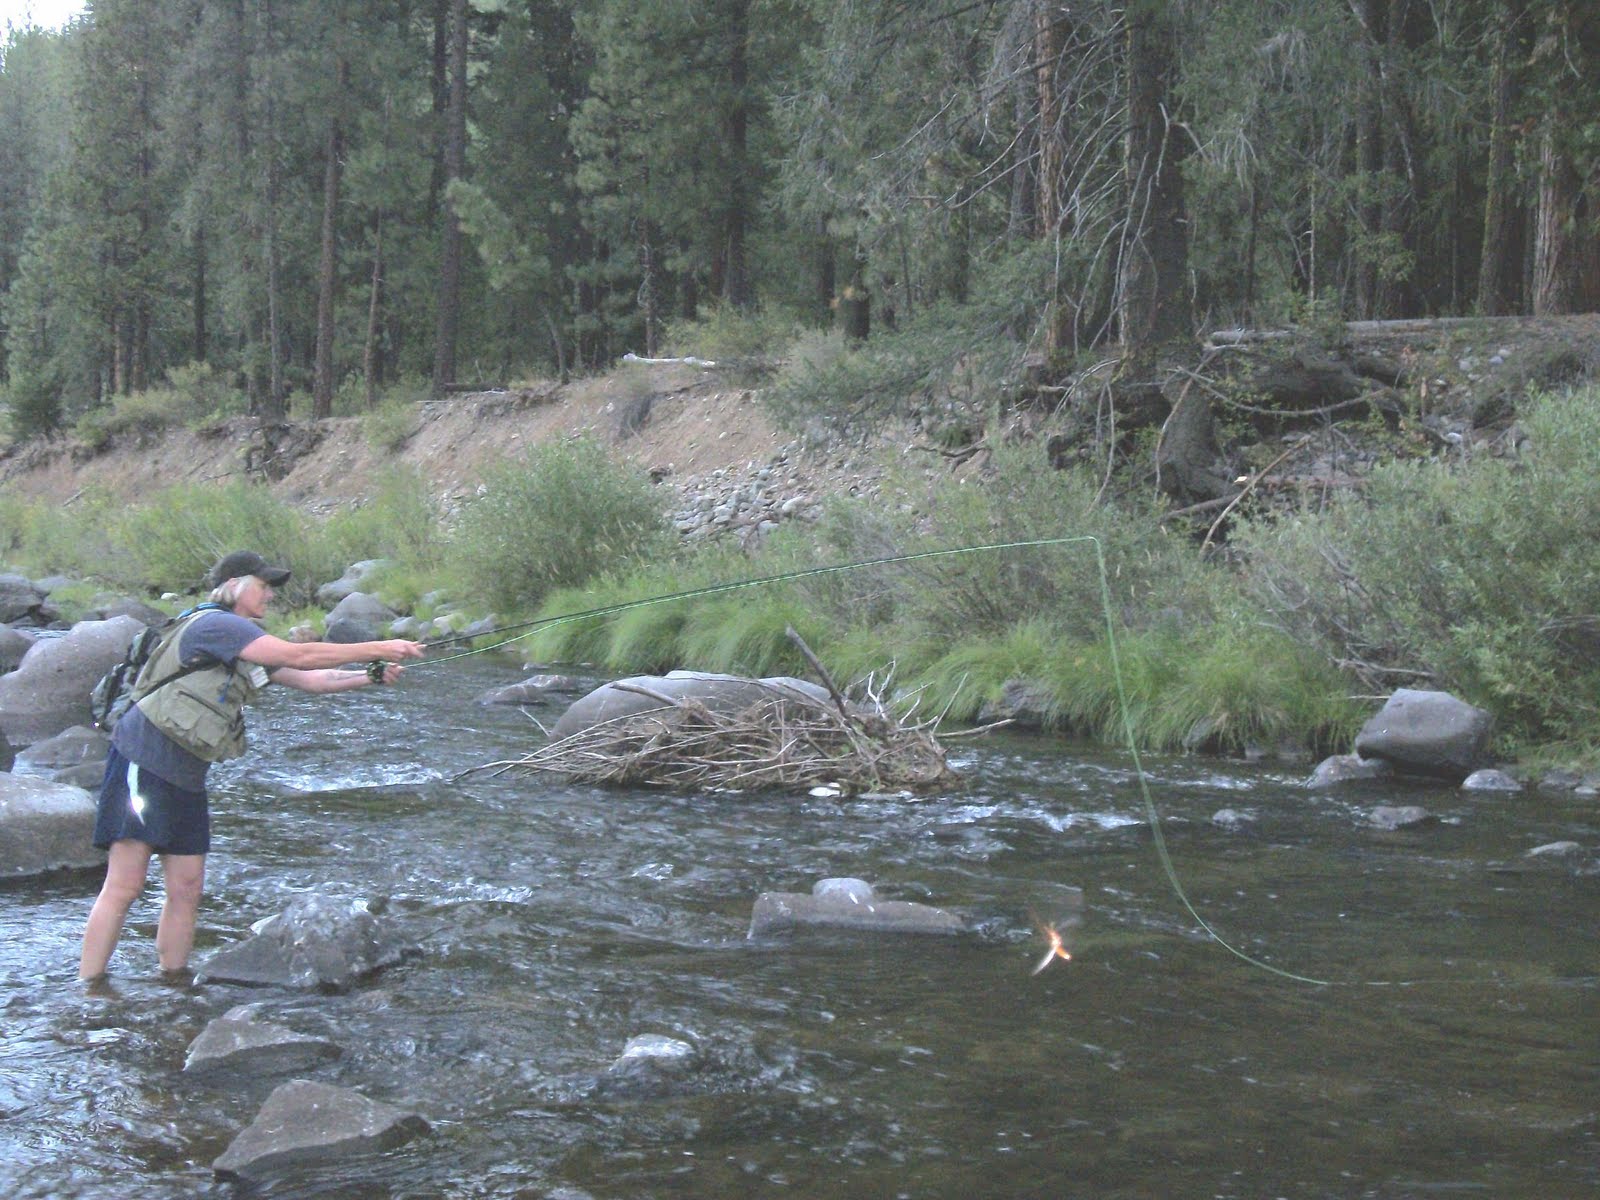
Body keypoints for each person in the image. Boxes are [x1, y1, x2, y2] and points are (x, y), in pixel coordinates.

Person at [79, 550, 425, 982]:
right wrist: (380, 645)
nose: (269, 596)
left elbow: (312, 680)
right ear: (234, 585)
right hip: (143, 758)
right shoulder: (215, 625)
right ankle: (89, 990)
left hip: (187, 775)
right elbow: (299, 656)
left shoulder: (242, 642)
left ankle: (174, 982)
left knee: (186, 888)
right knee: (125, 886)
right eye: (263, 586)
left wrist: (368, 676)